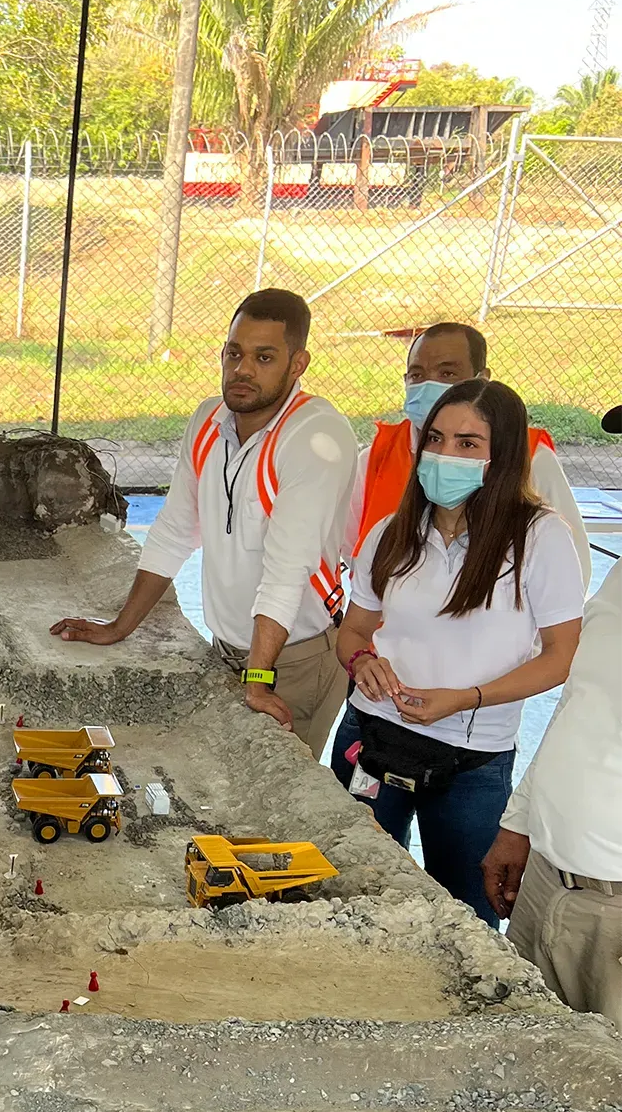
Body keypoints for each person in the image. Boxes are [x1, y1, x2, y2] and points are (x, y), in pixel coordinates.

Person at [51, 290, 356, 759]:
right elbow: (174, 529)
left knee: (270, 802)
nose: (243, 370)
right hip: (229, 650)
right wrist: (119, 627)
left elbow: (286, 569)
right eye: (234, 353)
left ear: (298, 365)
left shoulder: (315, 436)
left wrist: (257, 679)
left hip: (294, 660)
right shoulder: (209, 419)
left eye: (264, 357)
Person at [333, 380, 584, 926]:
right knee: (356, 896)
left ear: (504, 455)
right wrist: (362, 663)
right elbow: (353, 631)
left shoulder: (540, 539)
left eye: (469, 444)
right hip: (371, 740)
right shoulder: (391, 533)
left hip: (471, 762)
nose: (446, 456)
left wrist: (469, 698)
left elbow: (563, 655)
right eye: (437, 439)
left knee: (468, 915)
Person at [482, 549, 622, 1019]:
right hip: (544, 880)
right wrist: (519, 823)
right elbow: (576, 704)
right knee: (521, 1052)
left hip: (612, 909)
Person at [349, 321, 590, 581]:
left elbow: (571, 565)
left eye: (447, 374)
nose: (429, 385)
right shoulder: (375, 456)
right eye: (417, 375)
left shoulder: (530, 457)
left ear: (481, 378)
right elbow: (353, 548)